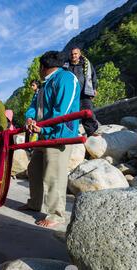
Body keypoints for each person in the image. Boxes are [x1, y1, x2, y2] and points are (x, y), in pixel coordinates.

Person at [19, 50, 80, 228]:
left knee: (55, 173)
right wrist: (29, 119)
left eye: (39, 67)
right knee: (34, 168)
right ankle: (34, 203)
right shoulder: (44, 85)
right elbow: (32, 106)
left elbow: (64, 109)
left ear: (43, 66)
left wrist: (43, 125)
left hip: (60, 134)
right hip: (43, 133)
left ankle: (56, 214)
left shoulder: (66, 78)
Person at [64, 47, 101, 137]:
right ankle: (71, 133)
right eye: (72, 54)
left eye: (75, 54)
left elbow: (93, 75)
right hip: (71, 94)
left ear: (79, 54)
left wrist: (94, 88)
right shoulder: (65, 66)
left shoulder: (86, 64)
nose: (73, 56)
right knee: (70, 114)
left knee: (88, 112)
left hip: (84, 93)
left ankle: (92, 131)